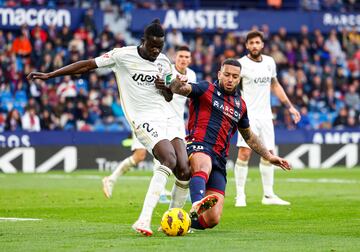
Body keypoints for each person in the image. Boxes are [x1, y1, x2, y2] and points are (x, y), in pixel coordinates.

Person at [27, 19, 191, 236]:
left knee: (184, 169)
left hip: (167, 117)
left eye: (159, 47)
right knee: (168, 160)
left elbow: (170, 95)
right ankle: (143, 219)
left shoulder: (163, 62)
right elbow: (87, 64)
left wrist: (167, 87)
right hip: (143, 119)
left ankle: (173, 220)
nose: (155, 50)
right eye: (152, 45)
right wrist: (50, 75)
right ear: (144, 41)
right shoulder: (122, 55)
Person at [168, 58, 291, 230]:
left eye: (234, 76)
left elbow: (249, 136)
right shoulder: (205, 89)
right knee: (203, 165)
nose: (230, 79)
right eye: (226, 75)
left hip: (220, 158)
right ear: (219, 74)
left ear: (239, 79)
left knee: (212, 220)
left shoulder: (240, 106)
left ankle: (181, 221)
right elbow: (179, 89)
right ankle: (196, 202)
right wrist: (177, 82)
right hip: (199, 145)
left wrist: (269, 156)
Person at [102, 45, 197, 205]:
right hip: (153, 118)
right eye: (180, 56)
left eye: (187, 57)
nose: (183, 60)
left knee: (175, 159)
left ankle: (172, 190)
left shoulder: (192, 75)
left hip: (176, 122)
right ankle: (112, 180)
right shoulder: (165, 69)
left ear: (190, 59)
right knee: (146, 155)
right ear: (176, 58)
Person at [234, 30, 301, 207]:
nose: (255, 45)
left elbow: (275, 85)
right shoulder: (241, 64)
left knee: (269, 154)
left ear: (262, 45)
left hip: (265, 116)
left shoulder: (270, 62)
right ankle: (240, 195)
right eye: (251, 43)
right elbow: (231, 87)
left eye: (257, 42)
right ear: (247, 45)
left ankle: (269, 195)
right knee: (244, 152)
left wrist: (290, 107)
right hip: (247, 116)